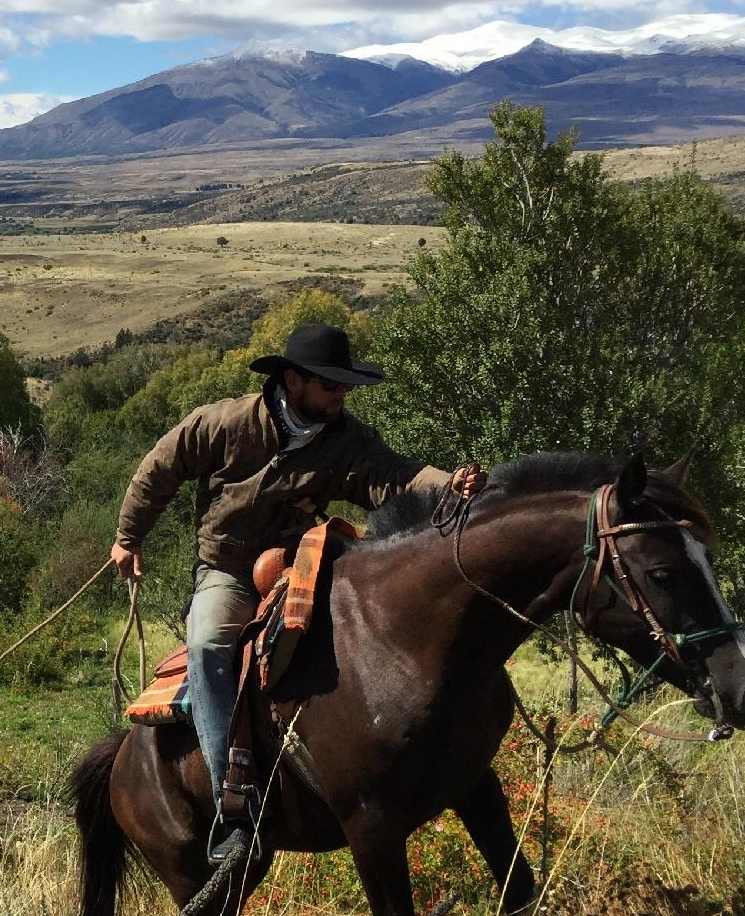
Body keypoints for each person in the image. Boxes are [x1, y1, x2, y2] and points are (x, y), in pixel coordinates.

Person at [112, 322, 484, 864]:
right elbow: (161, 467)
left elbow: (392, 476)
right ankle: (232, 805)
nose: (341, 395)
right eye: (331, 385)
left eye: (344, 386)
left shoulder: (345, 439)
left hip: (301, 559)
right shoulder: (226, 422)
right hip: (230, 570)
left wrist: (447, 483)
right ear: (293, 380)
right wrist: (128, 537)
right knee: (211, 643)